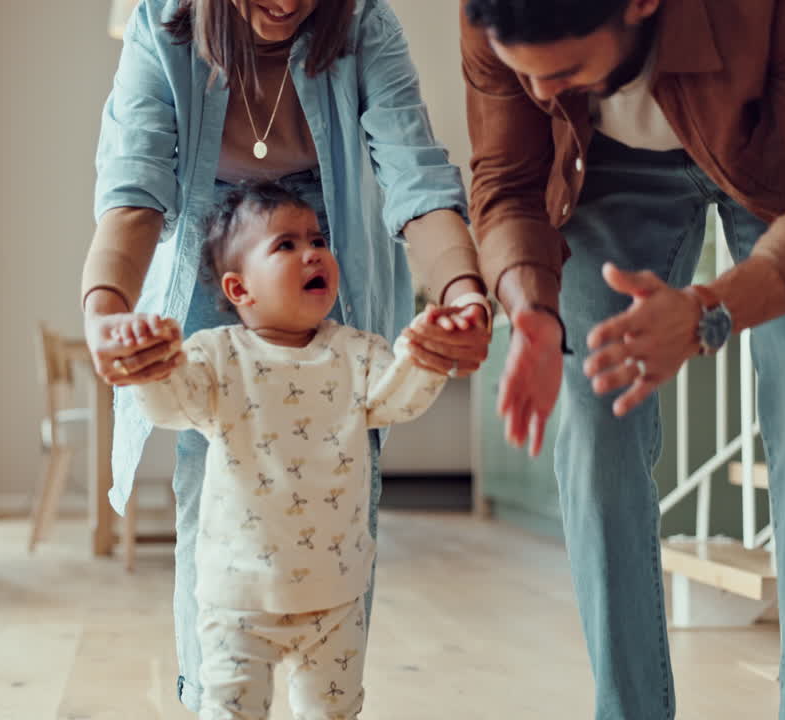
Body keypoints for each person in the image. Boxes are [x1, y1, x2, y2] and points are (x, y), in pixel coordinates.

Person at [460, 0, 785, 717]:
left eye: (564, 70)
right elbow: (507, 183)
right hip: (602, 171)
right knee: (590, 401)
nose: (541, 95)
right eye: (524, 76)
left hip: (782, 159)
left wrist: (708, 312)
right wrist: (533, 314)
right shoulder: (496, 12)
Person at [80, 0, 492, 709]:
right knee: (205, 467)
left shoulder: (364, 24)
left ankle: (330, 688)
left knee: (346, 450)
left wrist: (461, 292)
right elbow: (134, 185)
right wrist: (106, 310)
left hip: (329, 213)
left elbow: (415, 176)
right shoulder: (163, 22)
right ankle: (212, 693)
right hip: (217, 231)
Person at [120, 181, 455, 719]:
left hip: (336, 595)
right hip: (237, 598)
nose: (313, 252)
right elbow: (169, 406)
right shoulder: (217, 355)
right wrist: (149, 364)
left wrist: (426, 354)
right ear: (240, 288)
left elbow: (399, 400)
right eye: (286, 245)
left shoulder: (356, 352)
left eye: (317, 239)